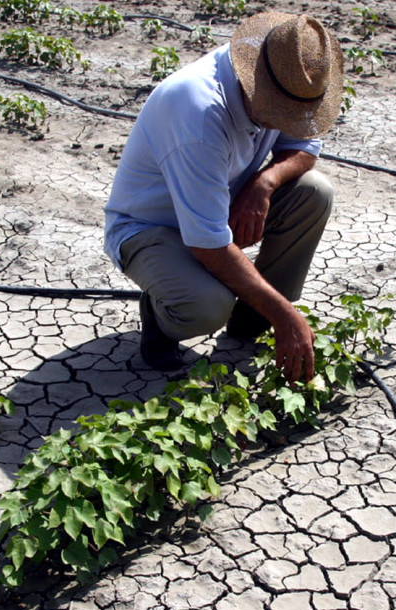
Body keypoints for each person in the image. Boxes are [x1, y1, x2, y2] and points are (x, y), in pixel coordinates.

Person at [103, 12, 344, 383]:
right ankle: (159, 319)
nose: (289, 121)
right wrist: (287, 316)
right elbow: (209, 245)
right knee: (207, 306)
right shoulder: (198, 112)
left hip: (219, 204)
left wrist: (263, 183)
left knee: (314, 193)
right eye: (284, 114)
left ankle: (252, 316)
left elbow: (305, 148)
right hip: (151, 228)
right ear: (257, 86)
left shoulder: (285, 73)